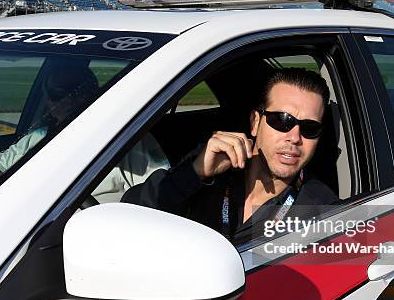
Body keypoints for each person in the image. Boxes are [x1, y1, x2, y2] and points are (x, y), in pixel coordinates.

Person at [122, 68, 338, 242]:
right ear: (255, 122)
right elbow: (128, 215)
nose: (294, 137)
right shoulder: (211, 169)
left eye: (310, 128)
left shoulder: (325, 212)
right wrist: (194, 172)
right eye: (281, 120)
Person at [0, 64, 169, 202]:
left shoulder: (126, 142)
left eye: (77, 92)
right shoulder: (38, 137)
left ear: (92, 95)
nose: (67, 100)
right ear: (48, 100)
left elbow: (161, 193)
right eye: (58, 93)